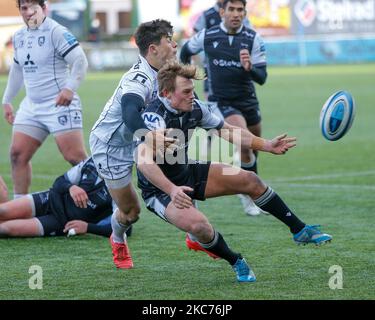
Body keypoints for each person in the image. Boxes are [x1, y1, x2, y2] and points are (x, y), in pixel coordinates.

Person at [135, 61, 332, 283]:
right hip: (159, 189)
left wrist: (265, 145)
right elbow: (144, 163)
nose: (192, 95)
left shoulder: (196, 108)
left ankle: (300, 230)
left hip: (186, 171)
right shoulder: (153, 118)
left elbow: (228, 131)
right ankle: (235, 260)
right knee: (200, 227)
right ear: (166, 94)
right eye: (186, 91)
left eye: (192, 89)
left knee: (250, 180)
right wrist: (171, 190)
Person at [89, 19, 182, 269]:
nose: (174, 45)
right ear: (153, 48)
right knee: (131, 212)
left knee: (183, 172)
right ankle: (117, 238)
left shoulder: (167, 71)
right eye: (168, 40)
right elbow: (130, 111)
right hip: (111, 147)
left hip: (140, 137)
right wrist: (149, 135)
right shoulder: (138, 78)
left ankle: (197, 234)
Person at [180, 0, 267, 216]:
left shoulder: (253, 38)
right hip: (221, 101)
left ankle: (245, 179)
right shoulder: (207, 35)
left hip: (248, 101)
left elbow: (262, 77)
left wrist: (250, 69)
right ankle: (251, 200)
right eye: (232, 9)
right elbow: (185, 51)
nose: (236, 14)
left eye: (240, 10)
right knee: (245, 145)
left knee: (254, 146)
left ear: (244, 13)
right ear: (222, 12)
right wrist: (187, 77)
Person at [2, 0, 88, 199]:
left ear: (44, 8)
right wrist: (7, 99)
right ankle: (19, 206)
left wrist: (69, 89)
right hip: (32, 106)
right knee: (17, 155)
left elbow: (80, 60)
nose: (29, 12)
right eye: (24, 8)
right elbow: (17, 69)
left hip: (59, 103)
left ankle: (112, 203)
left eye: (34, 7)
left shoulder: (56, 31)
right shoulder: (19, 36)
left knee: (75, 157)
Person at [0, 157, 132, 238]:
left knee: (6, 229)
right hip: (50, 199)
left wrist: (87, 227)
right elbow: (59, 182)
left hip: (61, 223)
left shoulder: (120, 186)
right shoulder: (91, 162)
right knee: (3, 211)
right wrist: (71, 187)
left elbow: (126, 228)